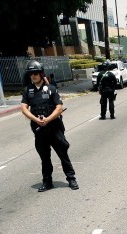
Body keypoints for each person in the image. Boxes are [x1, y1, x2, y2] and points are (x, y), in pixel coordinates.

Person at [20, 60, 79, 192]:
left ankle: (71, 179)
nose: (33, 76)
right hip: (39, 130)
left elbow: (59, 108)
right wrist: (36, 119)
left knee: (63, 154)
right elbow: (24, 108)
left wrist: (47, 119)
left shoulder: (51, 89)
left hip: (54, 129)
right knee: (45, 158)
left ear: (41, 74)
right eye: (31, 74)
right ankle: (47, 182)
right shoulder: (28, 91)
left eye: (35, 73)